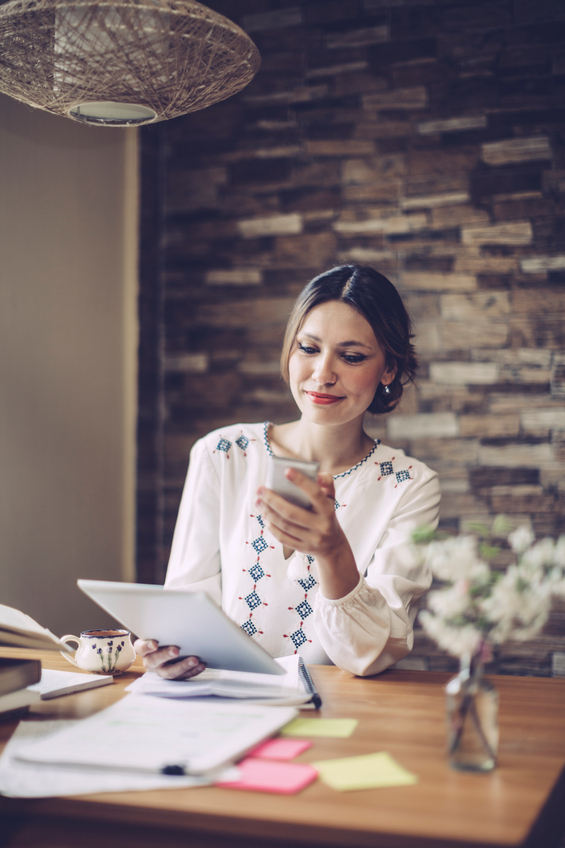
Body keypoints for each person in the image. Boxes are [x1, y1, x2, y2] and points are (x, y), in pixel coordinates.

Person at [136, 265, 441, 679]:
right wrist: (170, 651)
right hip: (218, 704)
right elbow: (187, 605)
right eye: (309, 348)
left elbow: (369, 655)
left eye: (351, 357)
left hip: (338, 715)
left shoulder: (409, 485)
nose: (323, 374)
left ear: (388, 370)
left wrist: (333, 551)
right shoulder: (222, 454)